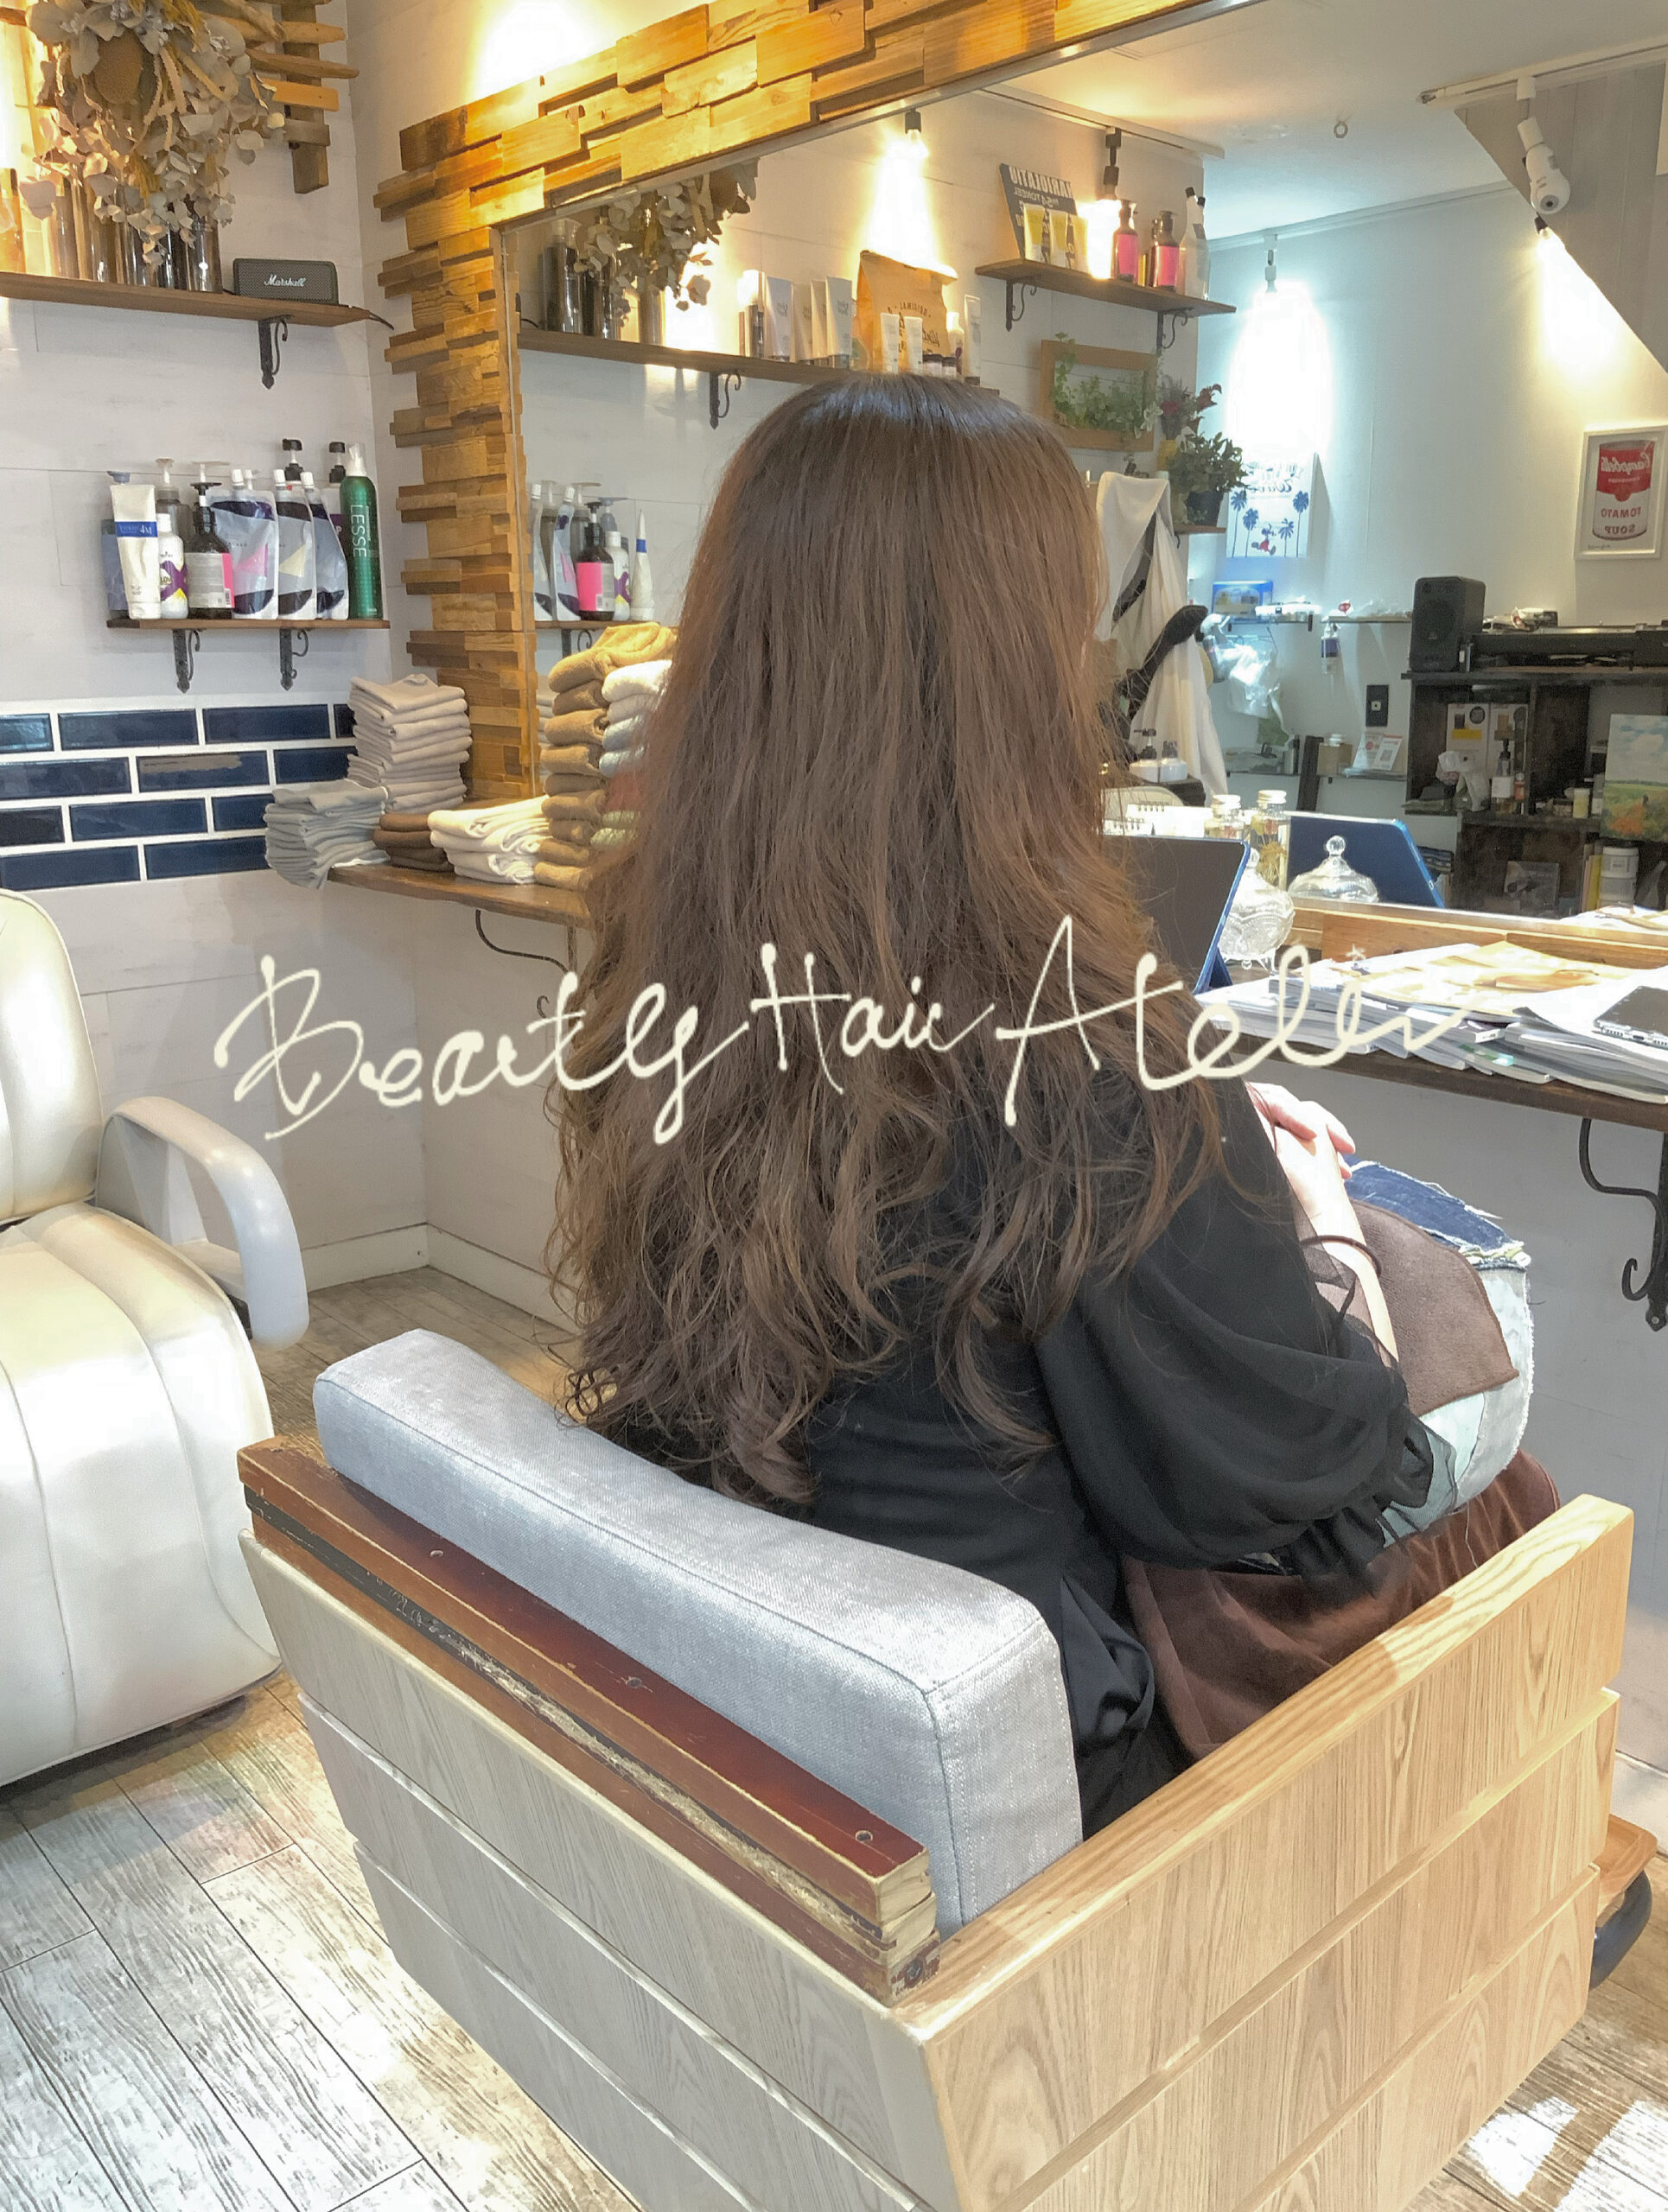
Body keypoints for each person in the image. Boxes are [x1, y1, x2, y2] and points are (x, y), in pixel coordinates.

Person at [552, 377, 1433, 1829]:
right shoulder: (1081, 1047)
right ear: (1017, 669)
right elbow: (1290, 1483)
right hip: (1022, 1784)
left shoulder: (661, 967)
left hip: (756, 1698)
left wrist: (1200, 1132)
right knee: (1482, 1408)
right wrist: (1313, 1208)